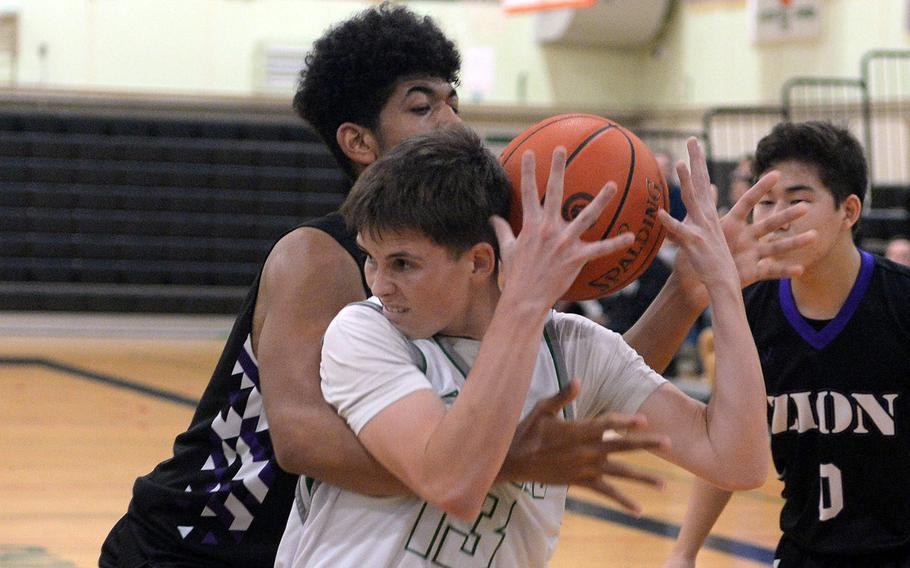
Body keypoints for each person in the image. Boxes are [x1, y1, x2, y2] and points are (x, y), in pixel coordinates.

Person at [99, 5, 671, 567]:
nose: (452, 120)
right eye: (422, 106)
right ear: (359, 142)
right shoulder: (319, 256)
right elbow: (303, 441)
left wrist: (689, 291)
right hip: (190, 544)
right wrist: (502, 459)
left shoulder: (467, 252)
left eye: (453, 100)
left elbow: (581, 382)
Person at [275, 124, 773, 567]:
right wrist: (525, 302)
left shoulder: (574, 349)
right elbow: (452, 482)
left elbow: (738, 462)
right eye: (371, 259)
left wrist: (719, 289)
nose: (379, 284)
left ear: (478, 262)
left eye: (402, 264)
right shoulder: (364, 332)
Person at [664, 121, 910, 568]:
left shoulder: (900, 302)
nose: (777, 217)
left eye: (796, 201)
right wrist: (685, 550)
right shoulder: (749, 307)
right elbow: (731, 435)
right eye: (766, 202)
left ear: (849, 211)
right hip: (801, 553)